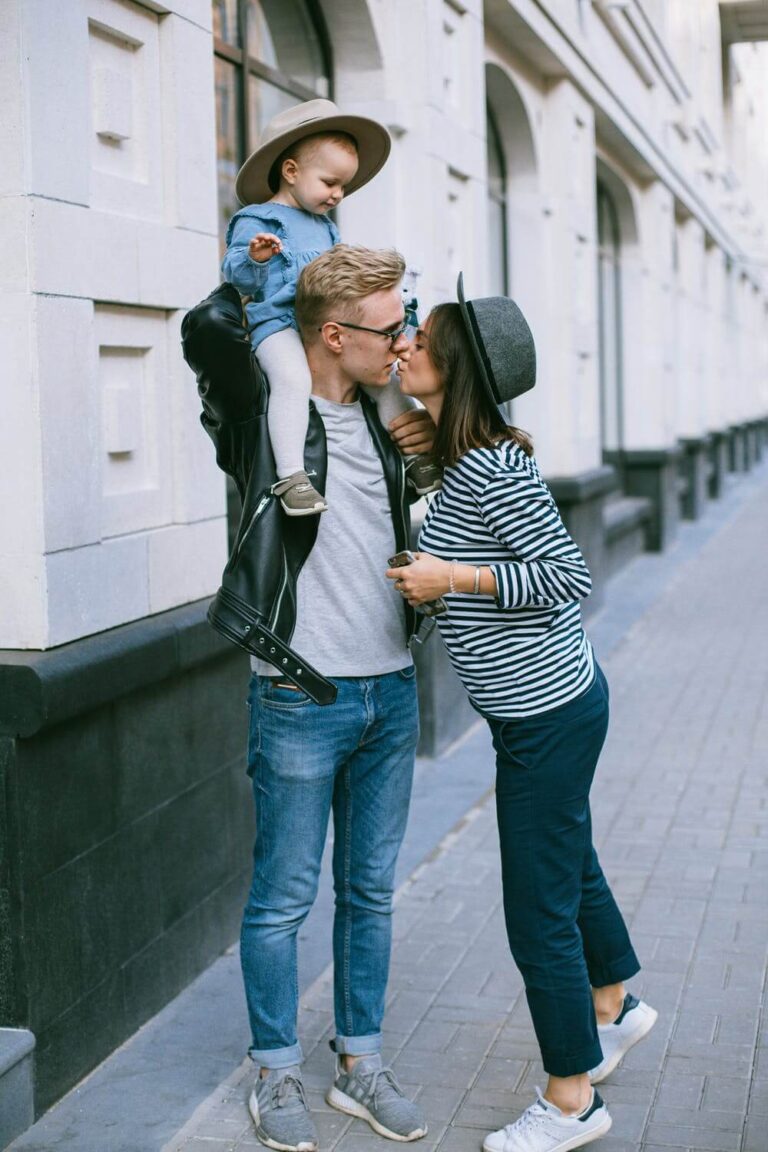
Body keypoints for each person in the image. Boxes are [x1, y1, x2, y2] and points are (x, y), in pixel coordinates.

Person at [387, 277, 657, 1152]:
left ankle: (573, 1099)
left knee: (534, 905)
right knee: (567, 856)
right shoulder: (467, 457)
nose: (404, 348)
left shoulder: (498, 465)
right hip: (537, 712)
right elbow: (468, 522)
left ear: (455, 368)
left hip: (550, 713)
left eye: (420, 343)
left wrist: (448, 580)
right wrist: (420, 465)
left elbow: (568, 578)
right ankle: (616, 1004)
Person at [226, 245, 431, 1152]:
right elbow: (209, 328)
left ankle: (360, 1063)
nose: (404, 342)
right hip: (301, 696)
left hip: (392, 690)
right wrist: (277, 248)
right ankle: (274, 1071)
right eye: (390, 329)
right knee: (282, 899)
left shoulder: (392, 421)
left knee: (371, 892)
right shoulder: (262, 416)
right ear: (334, 334)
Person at [222, 98, 440, 516]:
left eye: (344, 186)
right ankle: (291, 476)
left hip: (325, 323)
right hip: (278, 325)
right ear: (291, 172)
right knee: (291, 379)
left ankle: (415, 459)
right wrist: (256, 258)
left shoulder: (325, 227)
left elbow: (342, 278)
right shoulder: (257, 220)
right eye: (330, 182)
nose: (337, 194)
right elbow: (238, 279)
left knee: (386, 382)